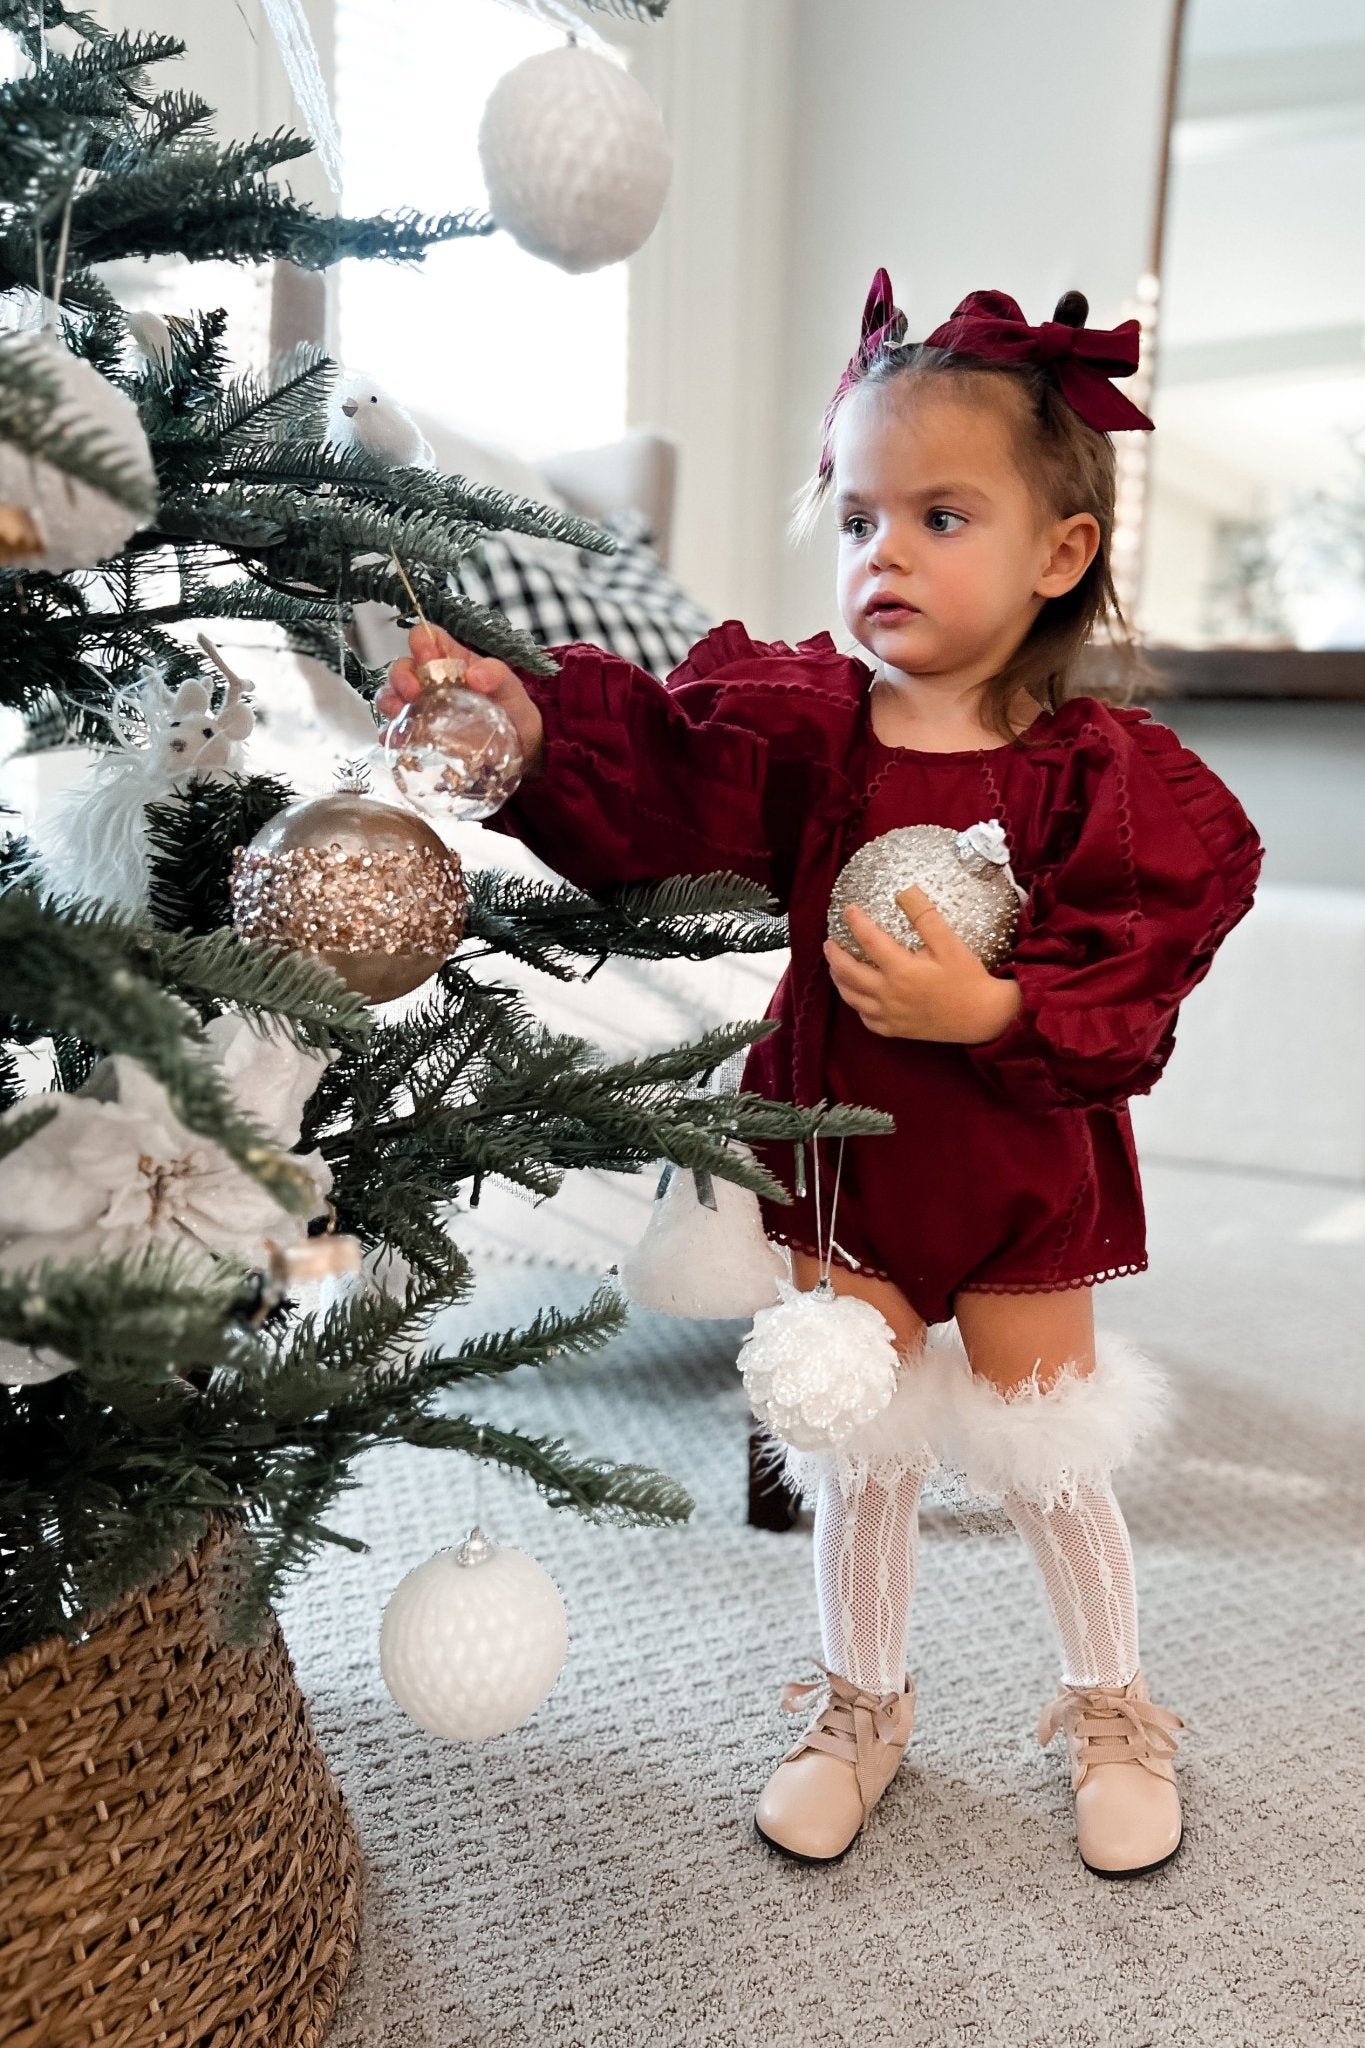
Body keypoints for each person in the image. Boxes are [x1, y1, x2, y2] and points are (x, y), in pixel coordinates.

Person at [377, 272, 1262, 1880]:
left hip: (1015, 1167)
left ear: (1057, 555)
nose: (885, 556)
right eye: (857, 519)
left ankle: (1109, 1705)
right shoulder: (808, 729)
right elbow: (650, 775)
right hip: (838, 1155)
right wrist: (511, 722)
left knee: (1044, 1438)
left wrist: (988, 1010)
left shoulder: (1096, 777)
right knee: (860, 1442)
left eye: (939, 515)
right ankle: (860, 1704)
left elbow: (1145, 951)